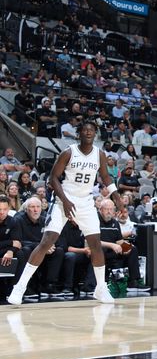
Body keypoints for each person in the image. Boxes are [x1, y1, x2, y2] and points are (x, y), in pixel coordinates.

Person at [8, 122, 123, 305]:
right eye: (85, 130)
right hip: (64, 200)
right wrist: (66, 201)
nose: (88, 132)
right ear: (79, 133)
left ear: (95, 135)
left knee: (95, 245)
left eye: (91, 130)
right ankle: (20, 287)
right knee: (46, 242)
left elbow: (106, 177)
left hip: (85, 203)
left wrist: (116, 197)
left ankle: (100, 289)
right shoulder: (69, 152)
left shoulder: (99, 154)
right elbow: (53, 178)